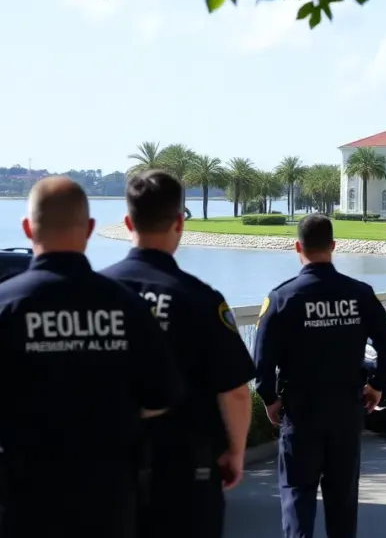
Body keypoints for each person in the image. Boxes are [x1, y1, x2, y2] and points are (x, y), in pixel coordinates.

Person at [0, 177, 182, 538]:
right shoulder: (129, 307)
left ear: (28, 228)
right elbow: (160, 398)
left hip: (23, 505)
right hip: (108, 504)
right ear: (90, 229)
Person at [101, 170, 255, 538]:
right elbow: (233, 391)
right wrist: (235, 452)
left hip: (103, 471)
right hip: (185, 474)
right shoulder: (200, 299)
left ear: (127, 222)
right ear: (179, 222)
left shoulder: (92, 295)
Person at [253, 213, 386, 538]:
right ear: (333, 245)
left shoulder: (282, 298)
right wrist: (376, 386)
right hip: (347, 408)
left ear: (296, 247)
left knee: (297, 494)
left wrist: (269, 398)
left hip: (301, 410)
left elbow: (262, 359)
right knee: (342, 499)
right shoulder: (360, 294)